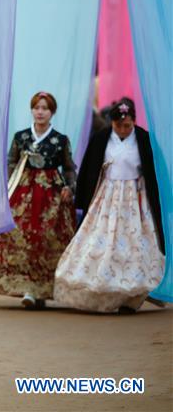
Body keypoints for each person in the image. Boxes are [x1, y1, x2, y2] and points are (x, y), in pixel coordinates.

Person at [0, 91, 77, 308]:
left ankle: (41, 290)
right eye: (37, 108)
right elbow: (10, 163)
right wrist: (5, 188)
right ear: (32, 110)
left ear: (52, 112)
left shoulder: (61, 140)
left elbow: (70, 168)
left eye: (45, 108)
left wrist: (69, 188)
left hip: (50, 197)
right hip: (23, 194)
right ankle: (27, 289)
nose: (40, 112)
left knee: (45, 239)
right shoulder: (21, 137)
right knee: (18, 235)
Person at [54, 98, 165, 313]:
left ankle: (132, 296)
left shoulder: (143, 139)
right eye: (118, 125)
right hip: (107, 196)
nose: (123, 130)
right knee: (101, 240)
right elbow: (90, 168)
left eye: (127, 125)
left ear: (133, 121)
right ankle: (103, 288)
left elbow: (154, 170)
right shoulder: (102, 139)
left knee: (135, 243)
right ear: (111, 123)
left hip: (134, 198)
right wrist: (86, 195)